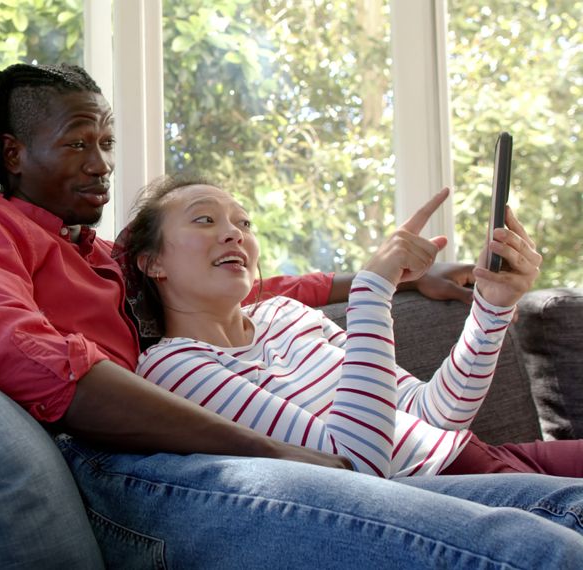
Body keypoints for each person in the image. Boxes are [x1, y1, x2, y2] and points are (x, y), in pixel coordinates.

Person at [0, 62, 583, 567]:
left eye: (107, 144)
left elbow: (251, 289)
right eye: (79, 142)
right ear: (14, 152)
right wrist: (278, 453)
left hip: (408, 455)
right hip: (131, 463)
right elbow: (29, 356)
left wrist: (403, 279)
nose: (101, 164)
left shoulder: (103, 255)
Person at [117, 173, 582, 477]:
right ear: (153, 262)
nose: (234, 232)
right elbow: (358, 468)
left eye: (244, 222)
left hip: (484, 456)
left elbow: (436, 414)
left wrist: (493, 307)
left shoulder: (287, 315)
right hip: (449, 493)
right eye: (204, 219)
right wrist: (371, 290)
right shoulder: (173, 369)